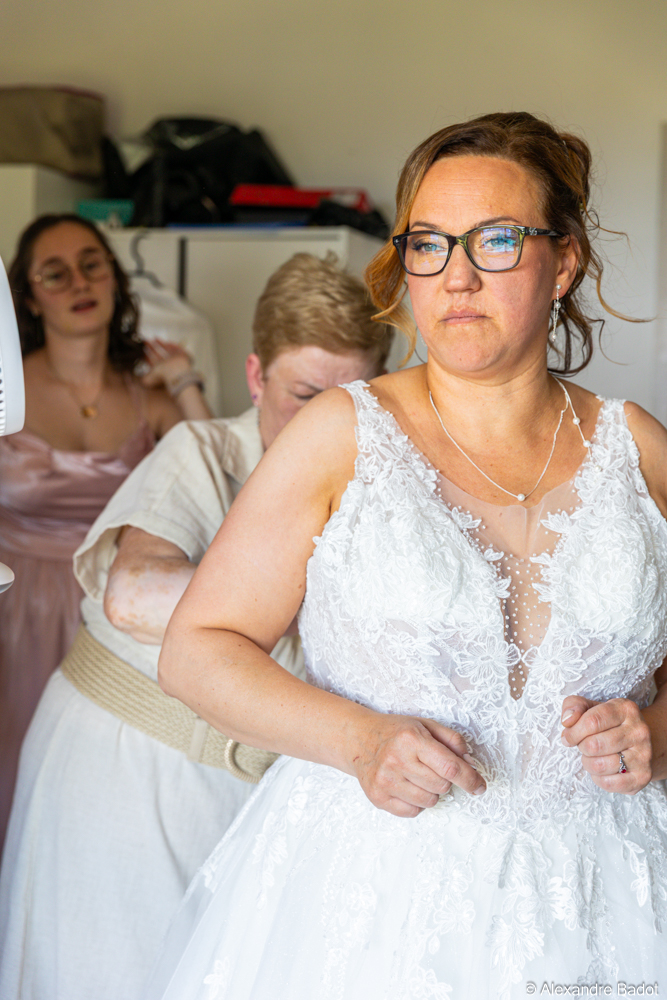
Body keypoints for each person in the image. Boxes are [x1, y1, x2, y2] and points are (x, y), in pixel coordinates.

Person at [143, 112, 667, 1000]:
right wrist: (358, 741)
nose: (456, 276)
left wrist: (657, 732)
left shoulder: (637, 447)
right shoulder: (339, 435)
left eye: (495, 240)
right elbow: (196, 650)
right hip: (376, 906)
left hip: (606, 897)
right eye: (428, 243)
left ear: (563, 262)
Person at [0, 252, 392, 1000]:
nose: (328, 422)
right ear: (256, 377)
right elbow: (134, 594)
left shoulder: (382, 483)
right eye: (305, 395)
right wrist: (329, 611)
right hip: (124, 764)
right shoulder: (204, 452)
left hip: (248, 785)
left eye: (353, 399)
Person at [0, 214, 211, 848]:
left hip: (114, 611)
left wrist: (186, 382)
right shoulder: (5, 388)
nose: (78, 282)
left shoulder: (151, 400)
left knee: (96, 788)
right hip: (14, 610)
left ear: (115, 279)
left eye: (91, 264)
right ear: (29, 297)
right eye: (55, 273)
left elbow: (220, 488)